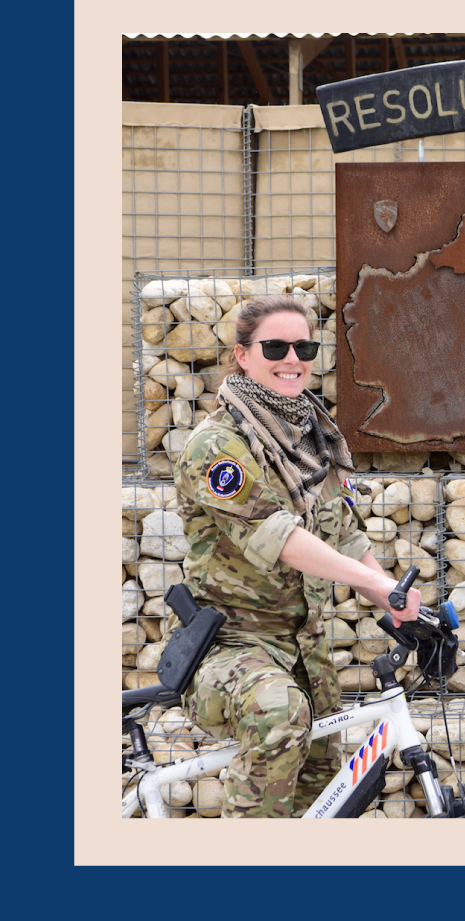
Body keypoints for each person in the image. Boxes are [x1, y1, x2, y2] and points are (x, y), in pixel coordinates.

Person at [166, 293, 423, 817]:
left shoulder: (311, 443)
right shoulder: (216, 447)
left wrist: (395, 601)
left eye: (303, 348)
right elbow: (278, 536)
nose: (292, 359)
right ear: (242, 355)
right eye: (275, 347)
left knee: (320, 808)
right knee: (278, 713)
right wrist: (379, 586)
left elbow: (345, 536)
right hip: (230, 650)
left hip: (307, 655)